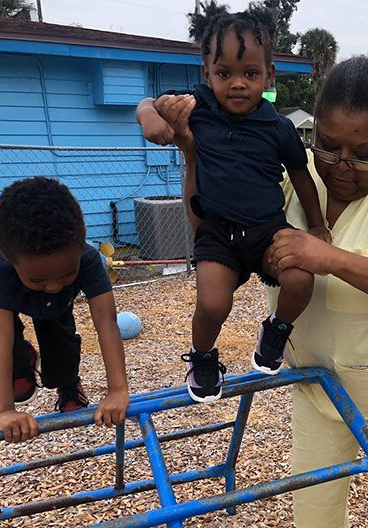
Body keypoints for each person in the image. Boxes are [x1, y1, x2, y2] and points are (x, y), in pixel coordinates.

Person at [137, 56, 368, 528]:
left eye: (363, 154)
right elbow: (210, 230)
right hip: (316, 387)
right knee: (314, 526)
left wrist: (331, 257)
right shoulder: (289, 171)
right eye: (329, 144)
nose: (340, 163)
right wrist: (172, 130)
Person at [136, 8, 329, 403]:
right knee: (211, 303)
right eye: (225, 74)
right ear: (207, 75)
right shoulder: (198, 109)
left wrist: (316, 226)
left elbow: (301, 177)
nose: (238, 84)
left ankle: (276, 330)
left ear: (269, 76)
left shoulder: (279, 128)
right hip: (218, 231)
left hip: (267, 229)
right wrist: (148, 117)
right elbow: (148, 103)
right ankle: (203, 357)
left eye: (250, 74)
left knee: (301, 278)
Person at [0, 177, 129, 443]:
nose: (53, 286)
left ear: (81, 240)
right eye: (39, 280)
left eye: (67, 274)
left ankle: (66, 383)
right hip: (7, 286)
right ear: (5, 254)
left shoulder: (87, 259)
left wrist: (118, 390)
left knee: (59, 334)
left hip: (49, 299)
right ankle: (23, 362)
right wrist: (4, 410)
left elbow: (106, 323)